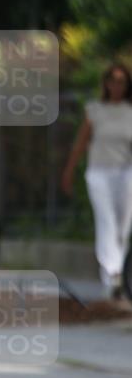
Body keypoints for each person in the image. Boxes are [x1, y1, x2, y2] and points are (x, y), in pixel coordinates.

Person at [61, 62, 132, 299]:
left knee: (123, 226)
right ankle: (111, 275)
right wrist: (69, 171)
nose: (116, 85)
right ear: (106, 83)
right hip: (99, 173)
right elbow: (81, 143)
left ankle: (118, 275)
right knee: (106, 222)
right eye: (113, 80)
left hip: (125, 173)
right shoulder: (95, 110)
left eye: (121, 81)